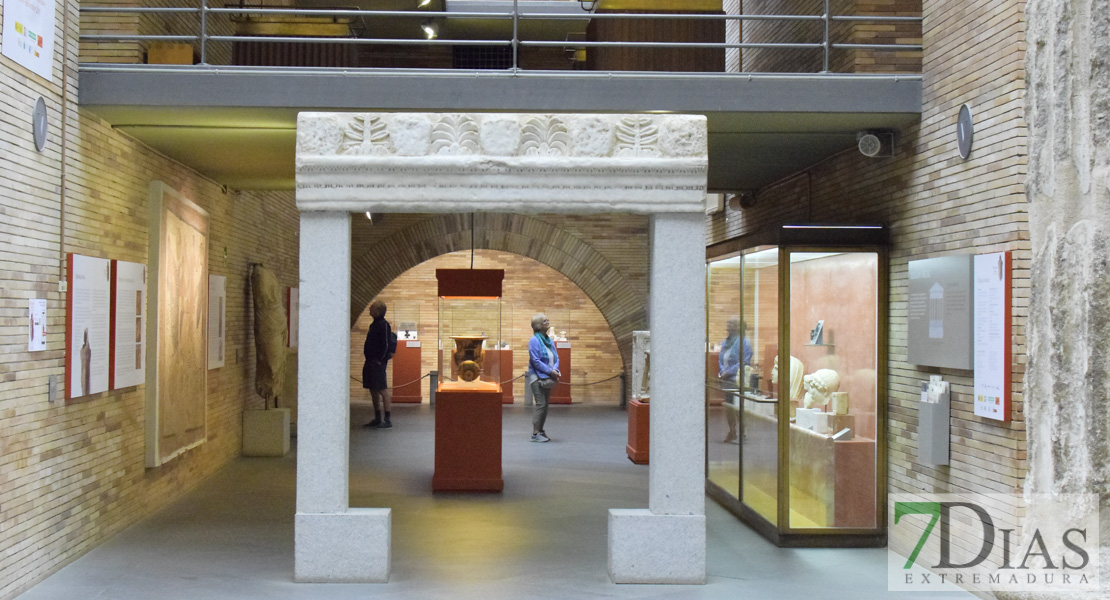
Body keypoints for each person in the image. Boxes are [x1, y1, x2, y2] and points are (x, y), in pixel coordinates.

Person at [362, 299, 396, 428]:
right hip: (370, 361)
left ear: (378, 310)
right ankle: (377, 417)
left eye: (371, 307)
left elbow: (386, 344)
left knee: (382, 389)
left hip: (377, 363)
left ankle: (387, 419)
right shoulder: (373, 324)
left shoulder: (383, 325)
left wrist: (380, 361)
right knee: (373, 389)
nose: (369, 309)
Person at [527, 313, 560, 442]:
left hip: (547, 375)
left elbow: (556, 357)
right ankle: (535, 433)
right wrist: (550, 371)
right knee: (540, 404)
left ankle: (541, 430)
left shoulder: (549, 340)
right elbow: (535, 361)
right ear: (538, 325)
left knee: (545, 405)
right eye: (544, 320)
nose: (548, 321)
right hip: (537, 377)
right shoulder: (534, 340)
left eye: (547, 319)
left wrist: (555, 369)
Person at [719, 317, 751, 443]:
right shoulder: (725, 342)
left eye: (732, 323)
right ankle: (732, 430)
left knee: (738, 407)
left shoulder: (745, 343)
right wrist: (722, 371)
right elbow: (721, 359)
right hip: (726, 378)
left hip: (736, 379)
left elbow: (744, 361)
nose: (728, 324)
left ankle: (742, 432)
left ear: (739, 327)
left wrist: (729, 371)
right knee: (729, 407)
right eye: (728, 322)